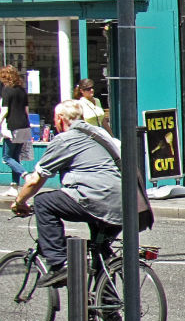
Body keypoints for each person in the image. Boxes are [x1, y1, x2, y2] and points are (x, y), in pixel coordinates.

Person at [10, 100, 123, 289]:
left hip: (96, 197)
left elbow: (36, 180)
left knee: (43, 202)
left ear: (61, 119)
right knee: (100, 253)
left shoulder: (65, 139)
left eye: (55, 119)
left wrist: (19, 202)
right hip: (125, 202)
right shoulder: (99, 133)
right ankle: (108, 312)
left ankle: (59, 263)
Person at [0, 65, 32, 198]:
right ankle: (14, 187)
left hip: (12, 127)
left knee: (7, 158)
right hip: (24, 126)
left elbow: (5, 111)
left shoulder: (7, 90)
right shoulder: (22, 90)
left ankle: (26, 174)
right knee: (16, 157)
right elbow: (26, 110)